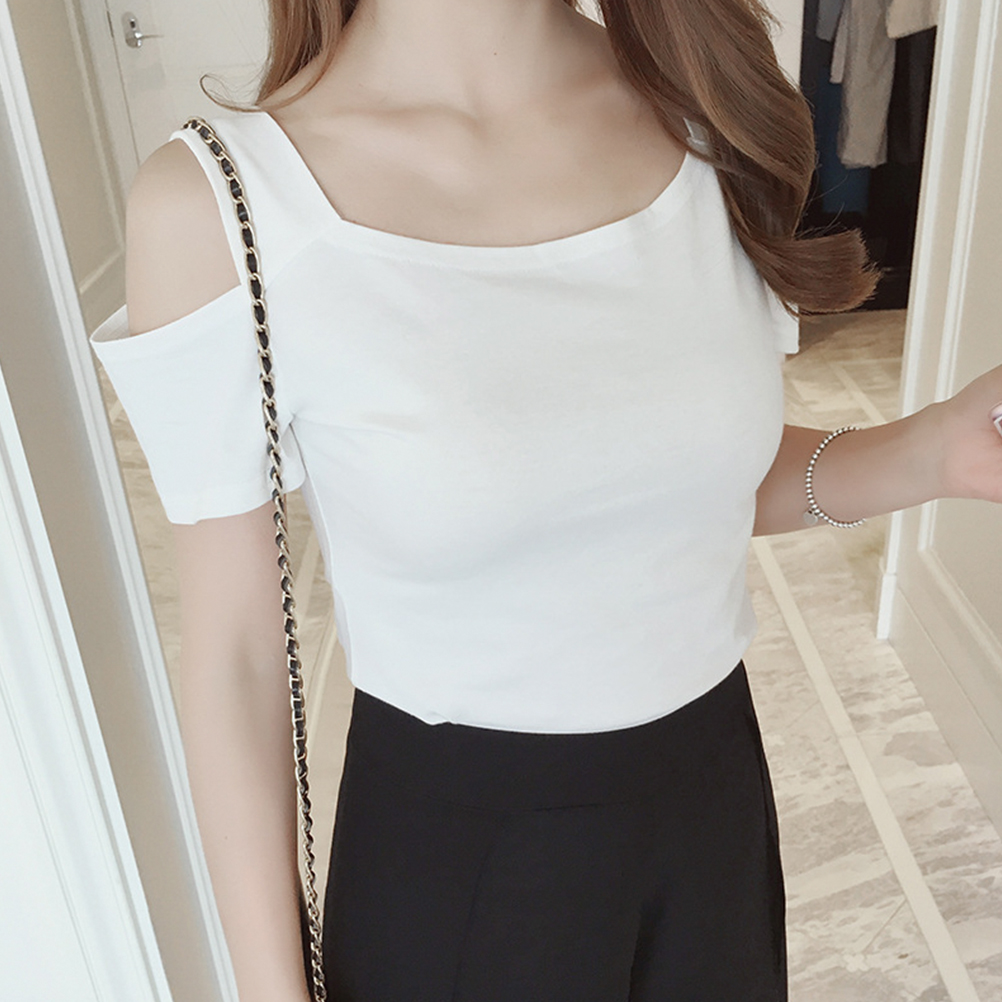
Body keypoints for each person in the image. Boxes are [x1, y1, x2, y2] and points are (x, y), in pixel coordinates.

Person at [90, 1, 1002, 1000]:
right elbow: (236, 655)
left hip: (715, 816)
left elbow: (687, 486)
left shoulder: (709, 103)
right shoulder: (222, 207)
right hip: (465, 871)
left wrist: (931, 453)